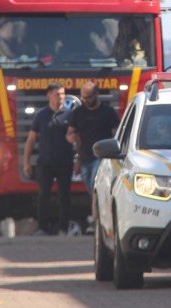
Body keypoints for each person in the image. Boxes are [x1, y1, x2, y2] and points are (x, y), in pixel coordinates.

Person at [23, 83, 76, 236]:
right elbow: (31, 140)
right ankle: (42, 228)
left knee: (64, 196)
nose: (61, 97)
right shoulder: (41, 115)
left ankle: (63, 229)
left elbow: (77, 139)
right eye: (57, 94)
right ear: (49, 96)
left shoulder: (70, 115)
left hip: (65, 162)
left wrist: (78, 159)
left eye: (62, 94)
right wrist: (27, 162)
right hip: (45, 163)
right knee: (43, 195)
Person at [66, 82, 120, 233]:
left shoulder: (108, 112)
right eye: (83, 97)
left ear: (97, 95)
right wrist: (72, 137)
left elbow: (117, 133)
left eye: (88, 97)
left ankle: (95, 218)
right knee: (91, 186)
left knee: (94, 183)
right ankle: (99, 214)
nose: (85, 100)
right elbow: (70, 133)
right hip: (85, 157)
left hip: (102, 157)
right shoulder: (78, 113)